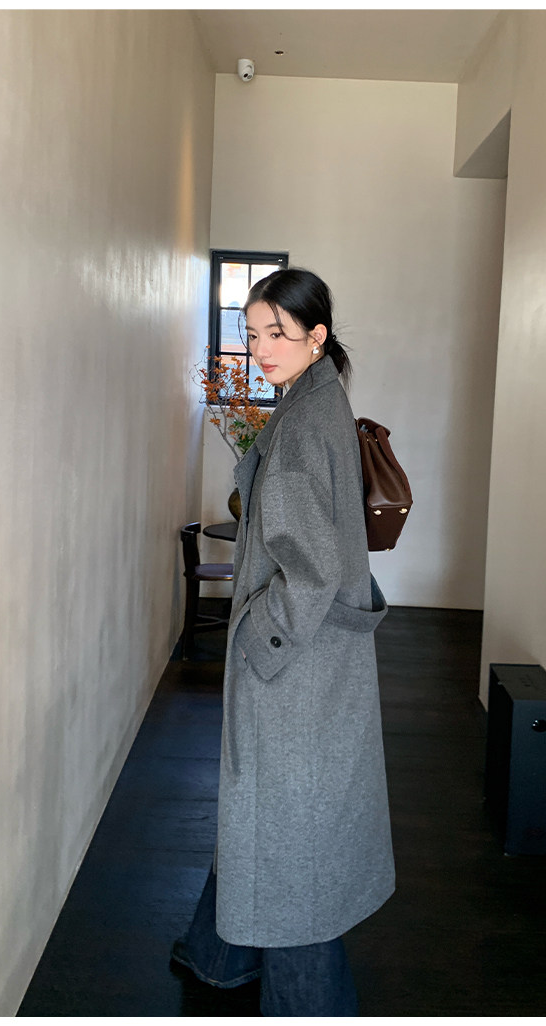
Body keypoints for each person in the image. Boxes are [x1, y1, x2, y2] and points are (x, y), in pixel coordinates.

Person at [171, 268, 395, 1016]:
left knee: (288, 832)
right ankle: (218, 953)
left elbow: (311, 569)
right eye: (252, 333)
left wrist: (257, 643)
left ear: (316, 335)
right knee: (265, 810)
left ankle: (309, 1004)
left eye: (278, 332)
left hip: (295, 667)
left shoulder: (301, 424)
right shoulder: (319, 398)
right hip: (317, 659)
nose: (261, 348)